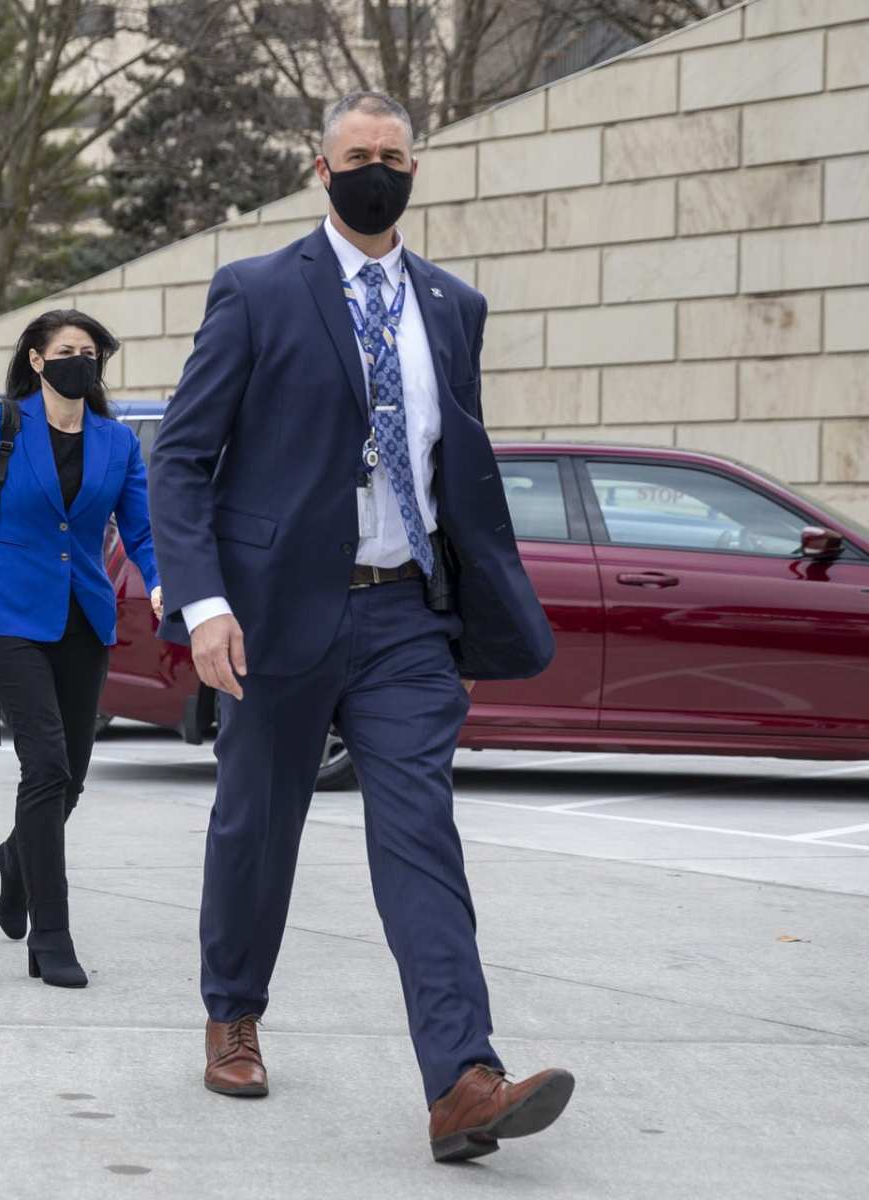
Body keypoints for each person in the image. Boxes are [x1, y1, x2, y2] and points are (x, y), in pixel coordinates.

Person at [149, 92, 571, 1161]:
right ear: (319, 167)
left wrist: (475, 599)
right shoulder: (254, 293)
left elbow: (452, 467)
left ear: (414, 170)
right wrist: (202, 603)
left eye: (392, 155)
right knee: (257, 824)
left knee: (420, 835)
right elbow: (184, 460)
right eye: (356, 154)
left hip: (405, 619)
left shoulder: (453, 306)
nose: (374, 168)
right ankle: (233, 1009)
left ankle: (462, 1080)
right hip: (275, 615)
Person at [0, 309, 161, 989]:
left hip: (83, 619)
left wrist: (159, 583)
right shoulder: (4, 425)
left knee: (74, 774)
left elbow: (142, 531)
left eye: (90, 352)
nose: (80, 362)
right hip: (7, 618)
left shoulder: (117, 442)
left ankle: (16, 861)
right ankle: (52, 934)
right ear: (37, 360)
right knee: (45, 766)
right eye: (66, 351)